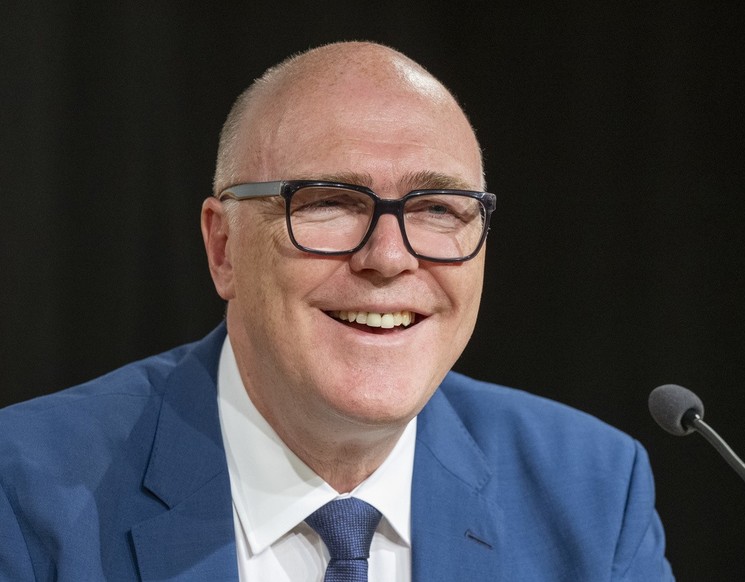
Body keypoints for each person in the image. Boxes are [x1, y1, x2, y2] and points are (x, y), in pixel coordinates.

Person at [0, 41, 674, 581]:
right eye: (328, 202)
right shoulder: (22, 491)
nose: (389, 257)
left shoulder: (591, 492)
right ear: (223, 247)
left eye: (437, 209)